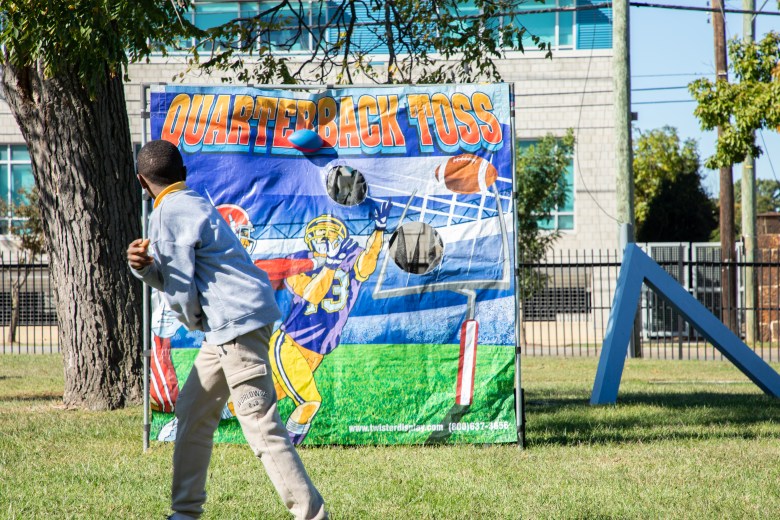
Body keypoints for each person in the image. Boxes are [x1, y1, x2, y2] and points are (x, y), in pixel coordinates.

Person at [126, 139, 327, 520]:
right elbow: (180, 273)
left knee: (261, 426)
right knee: (193, 412)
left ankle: (312, 516)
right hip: (231, 326)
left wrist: (192, 319)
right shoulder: (194, 202)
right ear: (183, 174)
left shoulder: (167, 212)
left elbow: (181, 288)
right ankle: (184, 512)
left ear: (141, 181)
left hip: (232, 327)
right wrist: (145, 269)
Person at [270, 203, 391, 445]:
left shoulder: (350, 257)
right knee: (310, 401)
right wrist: (331, 265)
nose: (326, 239)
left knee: (265, 397)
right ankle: (284, 448)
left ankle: (210, 416)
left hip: (317, 351)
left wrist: (379, 230)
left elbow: (368, 261)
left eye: (331, 234)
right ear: (310, 239)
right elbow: (312, 294)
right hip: (290, 344)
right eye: (320, 235)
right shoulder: (299, 260)